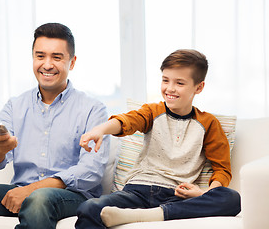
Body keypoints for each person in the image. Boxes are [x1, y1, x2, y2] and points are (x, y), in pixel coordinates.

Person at [75, 49, 241, 228]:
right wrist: (101, 129)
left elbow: (222, 169)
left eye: (179, 83)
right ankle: (156, 214)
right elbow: (128, 121)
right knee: (89, 208)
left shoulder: (208, 123)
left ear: (198, 87)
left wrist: (203, 194)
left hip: (177, 196)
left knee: (232, 198)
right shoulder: (153, 111)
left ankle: (152, 215)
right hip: (137, 191)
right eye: (165, 80)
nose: (170, 88)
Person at [0, 23, 110, 229]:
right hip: (21, 191)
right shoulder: (15, 105)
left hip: (71, 197)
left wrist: (32, 190)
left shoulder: (93, 109)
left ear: (72, 62)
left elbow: (90, 171)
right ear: (33, 58)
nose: (47, 65)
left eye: (56, 57)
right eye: (40, 56)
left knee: (38, 199)